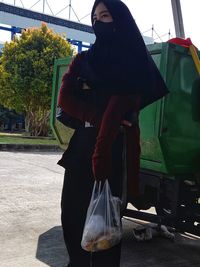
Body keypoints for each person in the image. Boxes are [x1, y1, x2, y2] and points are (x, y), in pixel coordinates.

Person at [57, 0, 169, 266]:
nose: (98, 22)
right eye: (94, 17)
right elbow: (65, 98)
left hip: (113, 153)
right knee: (72, 217)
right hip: (82, 148)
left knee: (106, 228)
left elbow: (128, 102)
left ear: (119, 19)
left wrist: (117, 118)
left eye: (104, 15)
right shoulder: (84, 60)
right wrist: (98, 117)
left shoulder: (135, 63)